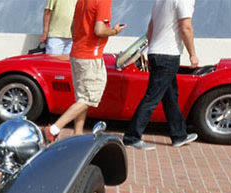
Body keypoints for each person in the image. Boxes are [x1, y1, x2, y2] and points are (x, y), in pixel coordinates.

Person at [42, 0, 125, 142]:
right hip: (90, 57)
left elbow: (73, 28)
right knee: (89, 98)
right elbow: (99, 30)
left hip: (77, 54)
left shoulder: (81, 1)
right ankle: (54, 129)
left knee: (81, 97)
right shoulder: (103, 2)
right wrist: (114, 31)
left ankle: (77, 134)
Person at [123, 0, 199, 150]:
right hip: (168, 55)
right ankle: (132, 137)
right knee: (153, 97)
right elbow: (186, 28)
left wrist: (150, 49)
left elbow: (151, 26)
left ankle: (179, 135)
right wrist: (192, 54)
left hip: (156, 53)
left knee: (170, 96)